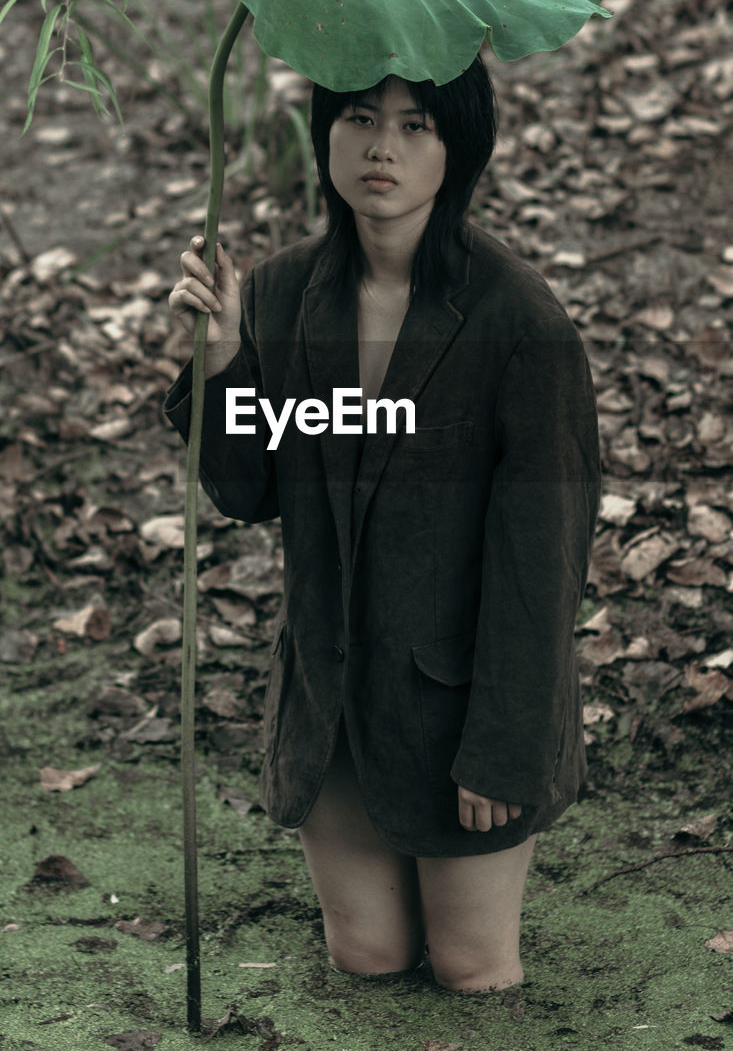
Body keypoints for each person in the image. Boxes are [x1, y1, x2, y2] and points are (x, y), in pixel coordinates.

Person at [164, 56, 600, 993]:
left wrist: (503, 746)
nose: (382, 149)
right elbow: (246, 489)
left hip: (462, 702)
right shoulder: (281, 296)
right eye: (360, 118)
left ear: (460, 148)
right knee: (365, 959)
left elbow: (543, 562)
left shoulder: (518, 323)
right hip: (334, 696)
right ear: (325, 133)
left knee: (472, 972)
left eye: (417, 126)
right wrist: (218, 359)